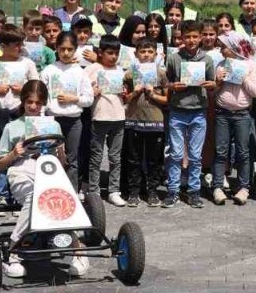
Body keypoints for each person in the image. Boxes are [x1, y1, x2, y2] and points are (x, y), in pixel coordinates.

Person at [0, 80, 87, 279]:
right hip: (21, 170)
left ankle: (77, 249)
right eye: (30, 102)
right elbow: (0, 165)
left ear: (44, 103)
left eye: (38, 102)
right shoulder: (12, 127)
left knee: (61, 197)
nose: (34, 107)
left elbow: (61, 164)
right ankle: (13, 249)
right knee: (35, 196)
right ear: (23, 102)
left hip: (48, 169)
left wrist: (61, 153)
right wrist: (14, 153)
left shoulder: (53, 125)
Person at [0, 24, 40, 202]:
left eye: (21, 44)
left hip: (22, 114)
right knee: (0, 152)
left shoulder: (27, 63)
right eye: (15, 45)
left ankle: (19, 191)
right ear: (3, 46)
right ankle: (0, 193)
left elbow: (37, 89)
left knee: (23, 150)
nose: (19, 48)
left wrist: (23, 89)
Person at [163, 19, 217, 208]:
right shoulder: (174, 58)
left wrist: (212, 85)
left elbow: (213, 83)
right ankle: (173, 190)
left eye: (195, 36)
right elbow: (166, 82)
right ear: (181, 38)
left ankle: (194, 191)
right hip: (177, 112)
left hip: (198, 113)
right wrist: (172, 86)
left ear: (201, 37)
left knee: (195, 155)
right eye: (188, 36)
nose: (192, 40)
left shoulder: (207, 60)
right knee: (176, 154)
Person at [39, 31, 95, 192]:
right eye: (62, 49)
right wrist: (43, 118)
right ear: (56, 48)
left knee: (72, 158)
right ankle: (49, 190)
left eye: (70, 49)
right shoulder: (49, 70)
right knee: (49, 157)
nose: (66, 53)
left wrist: (74, 99)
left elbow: (89, 99)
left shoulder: (79, 72)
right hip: (52, 120)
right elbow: (42, 98)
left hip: (73, 121)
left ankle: (71, 192)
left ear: (75, 50)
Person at [212, 32, 256, 205]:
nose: (221, 50)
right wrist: (218, 82)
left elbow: (255, 92)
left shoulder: (250, 65)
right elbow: (213, 92)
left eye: (224, 47)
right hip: (222, 113)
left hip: (242, 114)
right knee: (220, 151)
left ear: (234, 48)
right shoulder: (220, 64)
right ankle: (217, 186)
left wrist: (244, 77)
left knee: (243, 152)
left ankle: (243, 187)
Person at [122, 38, 169, 207]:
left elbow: (168, 99)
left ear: (156, 54)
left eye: (150, 52)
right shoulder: (129, 73)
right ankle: (134, 192)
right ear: (136, 54)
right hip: (133, 120)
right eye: (142, 51)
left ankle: (153, 191)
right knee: (133, 159)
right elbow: (124, 98)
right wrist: (135, 93)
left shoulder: (162, 73)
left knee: (154, 159)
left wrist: (153, 94)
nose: (146, 55)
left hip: (155, 122)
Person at [85, 35, 128, 206]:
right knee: (96, 157)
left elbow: (125, 93)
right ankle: (94, 191)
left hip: (118, 117)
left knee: (115, 157)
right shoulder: (92, 69)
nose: (113, 57)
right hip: (99, 117)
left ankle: (113, 191)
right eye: (110, 53)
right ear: (100, 52)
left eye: (116, 53)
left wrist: (124, 92)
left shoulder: (120, 70)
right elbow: (83, 89)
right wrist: (92, 91)